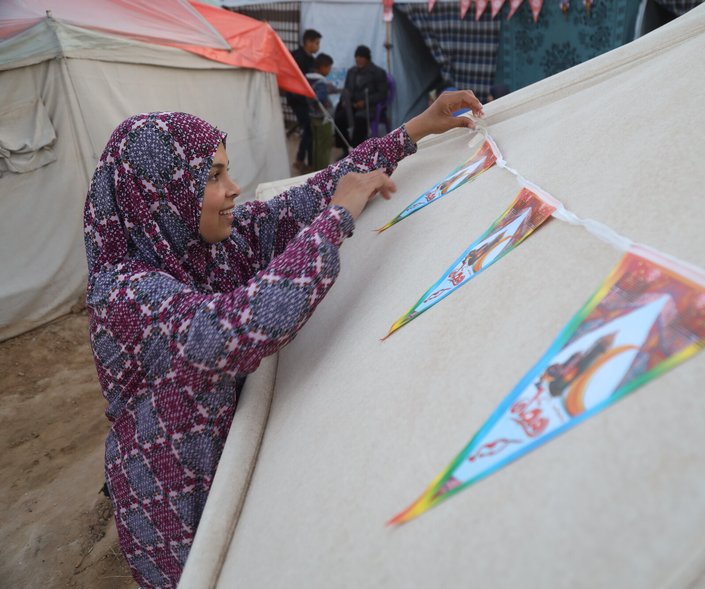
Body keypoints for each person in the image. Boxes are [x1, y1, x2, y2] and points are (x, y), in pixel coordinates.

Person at [84, 91, 483, 588]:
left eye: (226, 171)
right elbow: (232, 330)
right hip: (171, 498)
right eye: (212, 178)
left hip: (217, 465)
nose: (233, 189)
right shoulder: (122, 294)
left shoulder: (202, 247)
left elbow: (308, 198)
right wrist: (336, 222)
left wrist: (417, 129)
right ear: (163, 193)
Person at [334, 45, 389, 154]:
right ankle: (346, 148)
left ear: (367, 59)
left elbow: (382, 93)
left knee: (359, 121)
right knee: (339, 119)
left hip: (368, 107)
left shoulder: (378, 72)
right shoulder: (352, 71)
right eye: (356, 57)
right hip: (352, 106)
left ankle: (356, 153)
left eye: (361, 57)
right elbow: (346, 89)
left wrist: (365, 102)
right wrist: (344, 100)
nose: (358, 59)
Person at [287, 29, 322, 173]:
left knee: (310, 129)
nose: (318, 46)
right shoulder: (296, 57)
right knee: (308, 128)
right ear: (308, 42)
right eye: (316, 43)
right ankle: (301, 160)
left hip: (308, 100)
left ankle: (308, 162)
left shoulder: (312, 59)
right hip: (297, 99)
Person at [306, 53, 338, 171]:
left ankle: (316, 170)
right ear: (322, 67)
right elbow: (319, 97)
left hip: (313, 116)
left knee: (316, 146)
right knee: (324, 147)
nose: (329, 71)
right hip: (323, 118)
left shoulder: (308, 78)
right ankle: (323, 171)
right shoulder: (320, 82)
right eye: (329, 68)